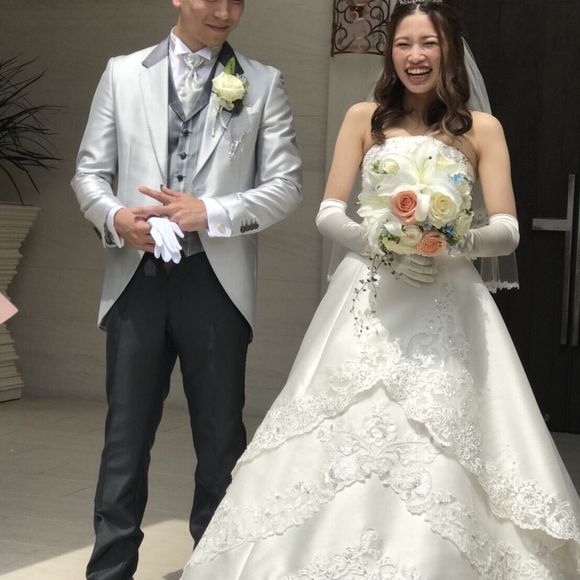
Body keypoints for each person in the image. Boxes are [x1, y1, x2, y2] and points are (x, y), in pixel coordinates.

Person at [180, 1, 580, 578]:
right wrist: (383, 243)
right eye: (403, 44)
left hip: (447, 303)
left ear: (449, 50)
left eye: (429, 43)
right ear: (389, 52)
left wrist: (447, 241)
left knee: (446, 436)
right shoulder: (362, 118)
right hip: (368, 298)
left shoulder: (481, 129)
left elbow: (507, 230)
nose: (416, 56)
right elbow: (328, 213)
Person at [71, 0, 302, 577]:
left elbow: (286, 186)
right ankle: (109, 571)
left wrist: (213, 211)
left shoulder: (263, 83)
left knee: (221, 440)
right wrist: (117, 218)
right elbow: (90, 174)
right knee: (124, 439)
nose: (224, 12)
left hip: (216, 282)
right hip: (137, 279)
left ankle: (214, 568)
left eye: (236, 0)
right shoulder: (123, 73)